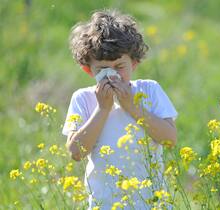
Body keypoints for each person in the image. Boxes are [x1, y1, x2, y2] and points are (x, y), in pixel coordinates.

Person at [62, 9, 178, 209]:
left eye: (119, 67)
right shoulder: (83, 98)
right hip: (105, 203)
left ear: (134, 63)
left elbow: (170, 139)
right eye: (102, 69)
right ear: (88, 69)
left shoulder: (150, 90)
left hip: (151, 202)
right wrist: (102, 109)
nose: (111, 75)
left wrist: (131, 106)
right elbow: (76, 152)